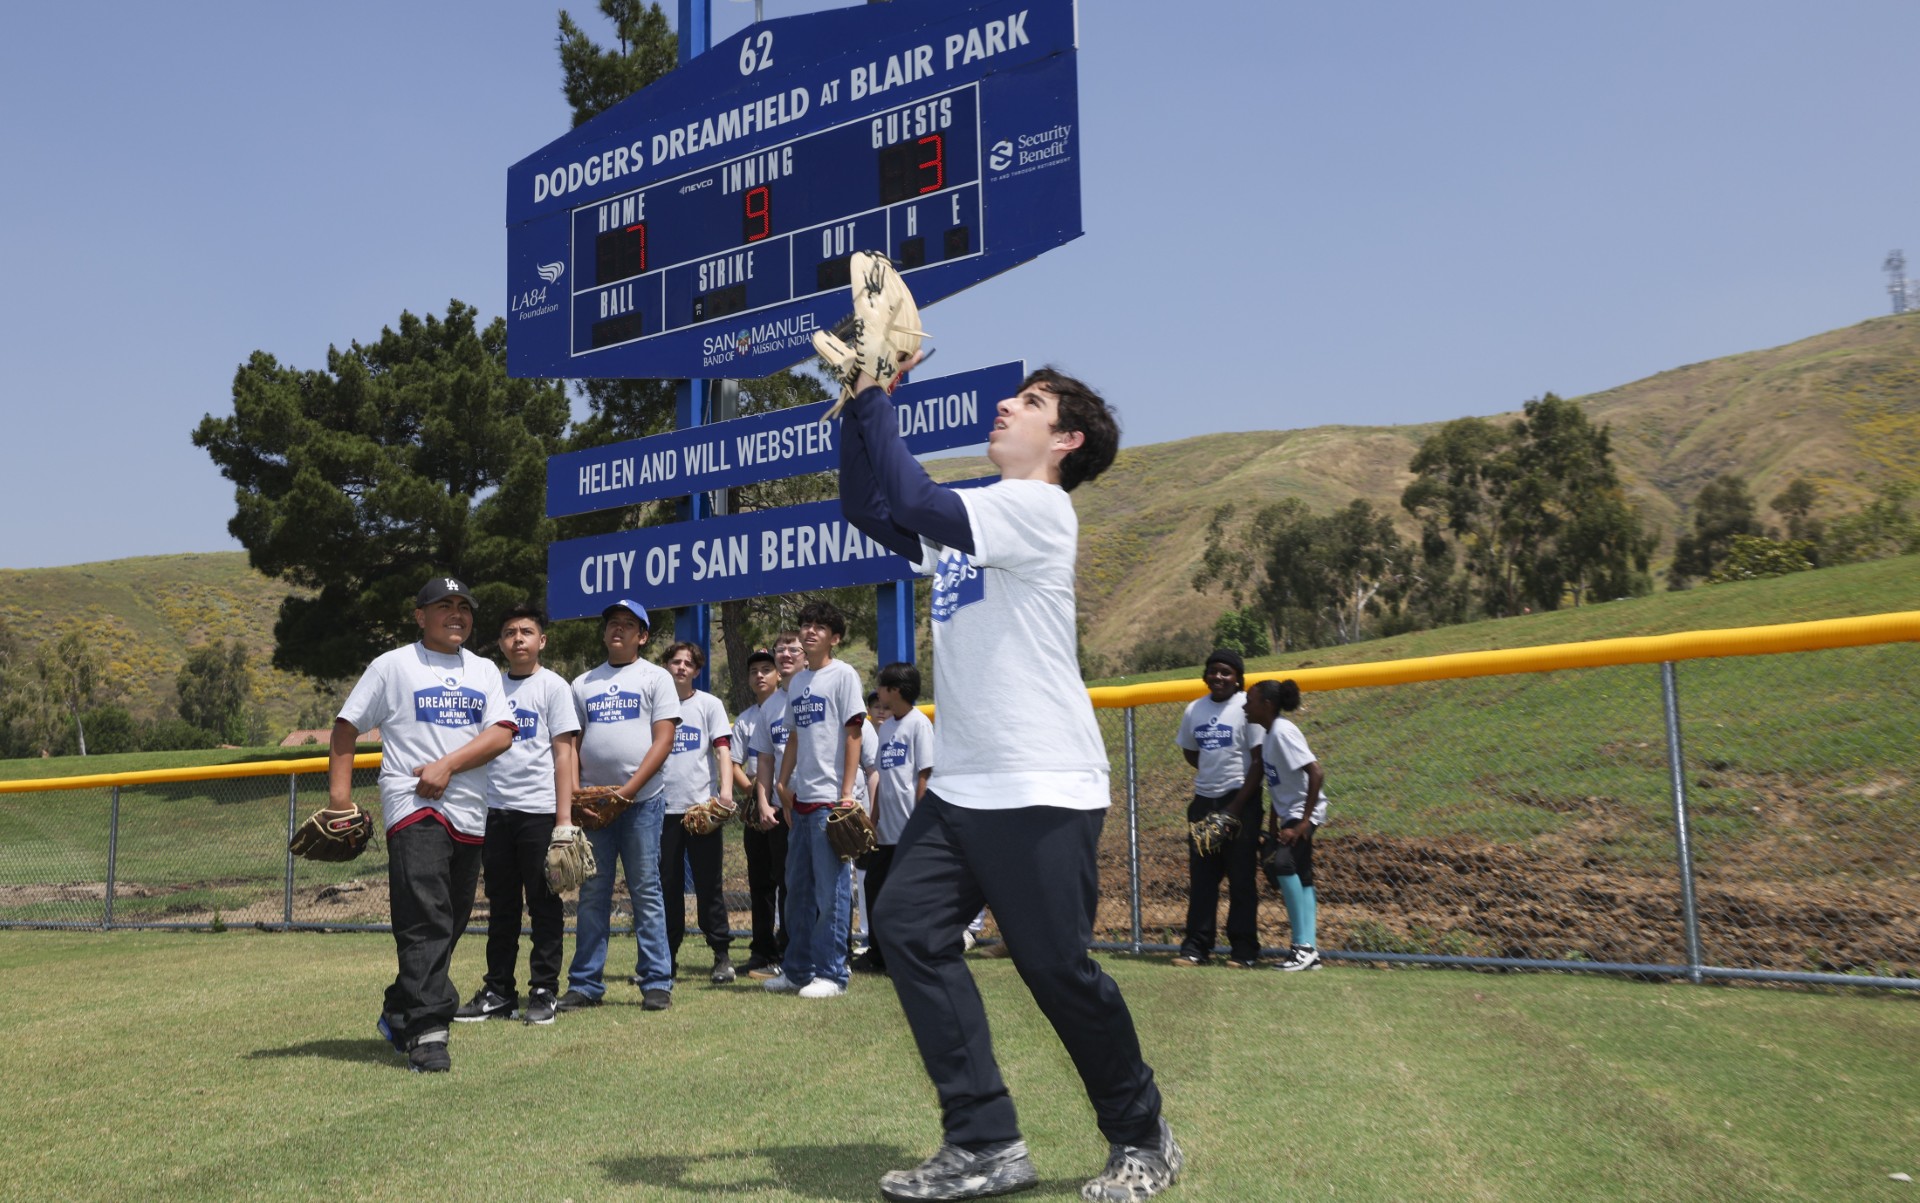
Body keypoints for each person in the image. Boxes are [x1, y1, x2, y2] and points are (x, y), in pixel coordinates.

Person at [840, 362, 1181, 1202]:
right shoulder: (985, 513)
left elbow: (916, 502)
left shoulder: (1035, 507)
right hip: (963, 786)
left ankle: (1144, 1134)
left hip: (1041, 781)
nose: (1005, 405)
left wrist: (882, 397)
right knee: (906, 927)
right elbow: (867, 507)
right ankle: (985, 1140)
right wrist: (856, 404)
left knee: (1056, 968)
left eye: (1029, 403)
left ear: (1066, 441)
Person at [329, 575, 517, 1073]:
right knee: (426, 917)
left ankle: (399, 1007)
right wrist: (339, 802)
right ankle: (429, 1033)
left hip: (470, 811)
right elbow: (347, 725)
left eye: (464, 607)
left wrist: (448, 765)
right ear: (419, 615)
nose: (456, 614)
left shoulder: (483, 670)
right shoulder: (393, 665)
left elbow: (501, 734)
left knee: (449, 921)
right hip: (413, 805)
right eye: (443, 606)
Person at [454, 605, 580, 1027]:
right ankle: (498, 991)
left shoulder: (554, 687)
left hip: (540, 811)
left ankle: (544, 989)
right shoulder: (491, 687)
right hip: (494, 811)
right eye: (510, 632)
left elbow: (564, 754)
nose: (518, 638)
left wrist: (564, 819)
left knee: (544, 904)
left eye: (527, 631)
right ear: (501, 643)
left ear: (541, 641)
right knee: (502, 905)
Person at [557, 599, 680, 1012]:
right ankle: (586, 983)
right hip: (594, 805)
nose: (619, 629)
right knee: (593, 893)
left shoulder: (656, 677)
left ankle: (657, 980)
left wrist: (626, 793)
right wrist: (575, 795)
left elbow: (663, 740)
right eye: (613, 623)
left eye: (629, 625)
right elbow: (572, 742)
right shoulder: (583, 683)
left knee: (646, 888)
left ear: (643, 636)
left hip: (641, 803)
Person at [763, 599, 865, 1000]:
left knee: (832, 892)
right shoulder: (798, 682)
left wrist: (846, 795)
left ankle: (832, 973)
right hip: (801, 800)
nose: (808, 632)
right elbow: (793, 737)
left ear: (834, 638)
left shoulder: (844, 675)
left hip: (830, 802)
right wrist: (782, 789)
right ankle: (798, 969)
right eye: (805, 625)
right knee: (799, 891)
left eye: (819, 627)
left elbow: (854, 733)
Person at [1171, 649, 1263, 969]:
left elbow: (1259, 761)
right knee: (1203, 878)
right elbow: (1191, 752)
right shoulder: (1194, 709)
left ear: (1238, 677)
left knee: (1241, 878)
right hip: (1204, 803)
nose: (1219, 677)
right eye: (1213, 671)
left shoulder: (1247, 706)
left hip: (1241, 801)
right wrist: (1210, 780)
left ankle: (1244, 949)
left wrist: (1235, 807)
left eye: (1226, 672)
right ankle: (1196, 946)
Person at [657, 641, 736, 983]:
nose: (681, 668)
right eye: (675, 662)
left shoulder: (709, 705)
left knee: (708, 885)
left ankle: (721, 954)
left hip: (700, 809)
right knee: (667, 887)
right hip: (662, 809)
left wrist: (725, 794)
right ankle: (666, 959)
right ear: (667, 666)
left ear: (697, 670)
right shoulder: (655, 704)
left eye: (689, 663)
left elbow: (722, 750)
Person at [850, 661, 933, 976]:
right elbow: (883, 779)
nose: (879, 693)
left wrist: (920, 824)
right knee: (874, 888)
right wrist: (873, 819)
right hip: (885, 832)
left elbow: (924, 775)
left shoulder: (918, 724)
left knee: (908, 898)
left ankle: (913, 956)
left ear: (895, 691)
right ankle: (879, 954)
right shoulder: (885, 729)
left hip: (909, 830)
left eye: (882, 687)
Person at [1243, 678, 1329, 972]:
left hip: (1303, 812)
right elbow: (1276, 785)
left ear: (1267, 705)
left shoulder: (1281, 732)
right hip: (1290, 813)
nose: (1245, 706)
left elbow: (1316, 773)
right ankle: (1310, 950)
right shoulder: (1269, 735)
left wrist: (1304, 823)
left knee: (1283, 865)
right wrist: (1272, 828)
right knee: (1302, 875)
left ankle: (1302, 946)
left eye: (1251, 700)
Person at [744, 630, 806, 978]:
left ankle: (832, 953)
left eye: (790, 648)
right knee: (785, 882)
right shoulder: (771, 707)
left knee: (820, 885)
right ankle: (786, 955)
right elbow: (764, 759)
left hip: (815, 802)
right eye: (780, 648)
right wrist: (765, 802)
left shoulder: (821, 688)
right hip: (781, 808)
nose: (785, 654)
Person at [729, 646, 785, 979]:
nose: (759, 675)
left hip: (786, 807)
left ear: (778, 674)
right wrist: (755, 794)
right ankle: (762, 950)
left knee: (788, 882)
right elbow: (735, 764)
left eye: (766, 669)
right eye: (754, 671)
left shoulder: (788, 708)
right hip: (756, 809)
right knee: (760, 883)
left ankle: (789, 947)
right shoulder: (746, 719)